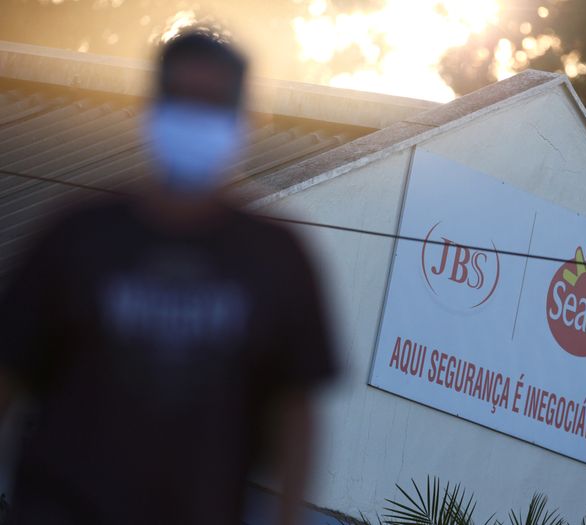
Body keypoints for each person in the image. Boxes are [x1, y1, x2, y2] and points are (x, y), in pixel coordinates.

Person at [0, 29, 336, 524]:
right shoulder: (76, 235)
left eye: (212, 102)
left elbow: (296, 412)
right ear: (149, 106)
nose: (194, 117)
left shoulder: (276, 257)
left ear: (246, 118)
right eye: (181, 99)